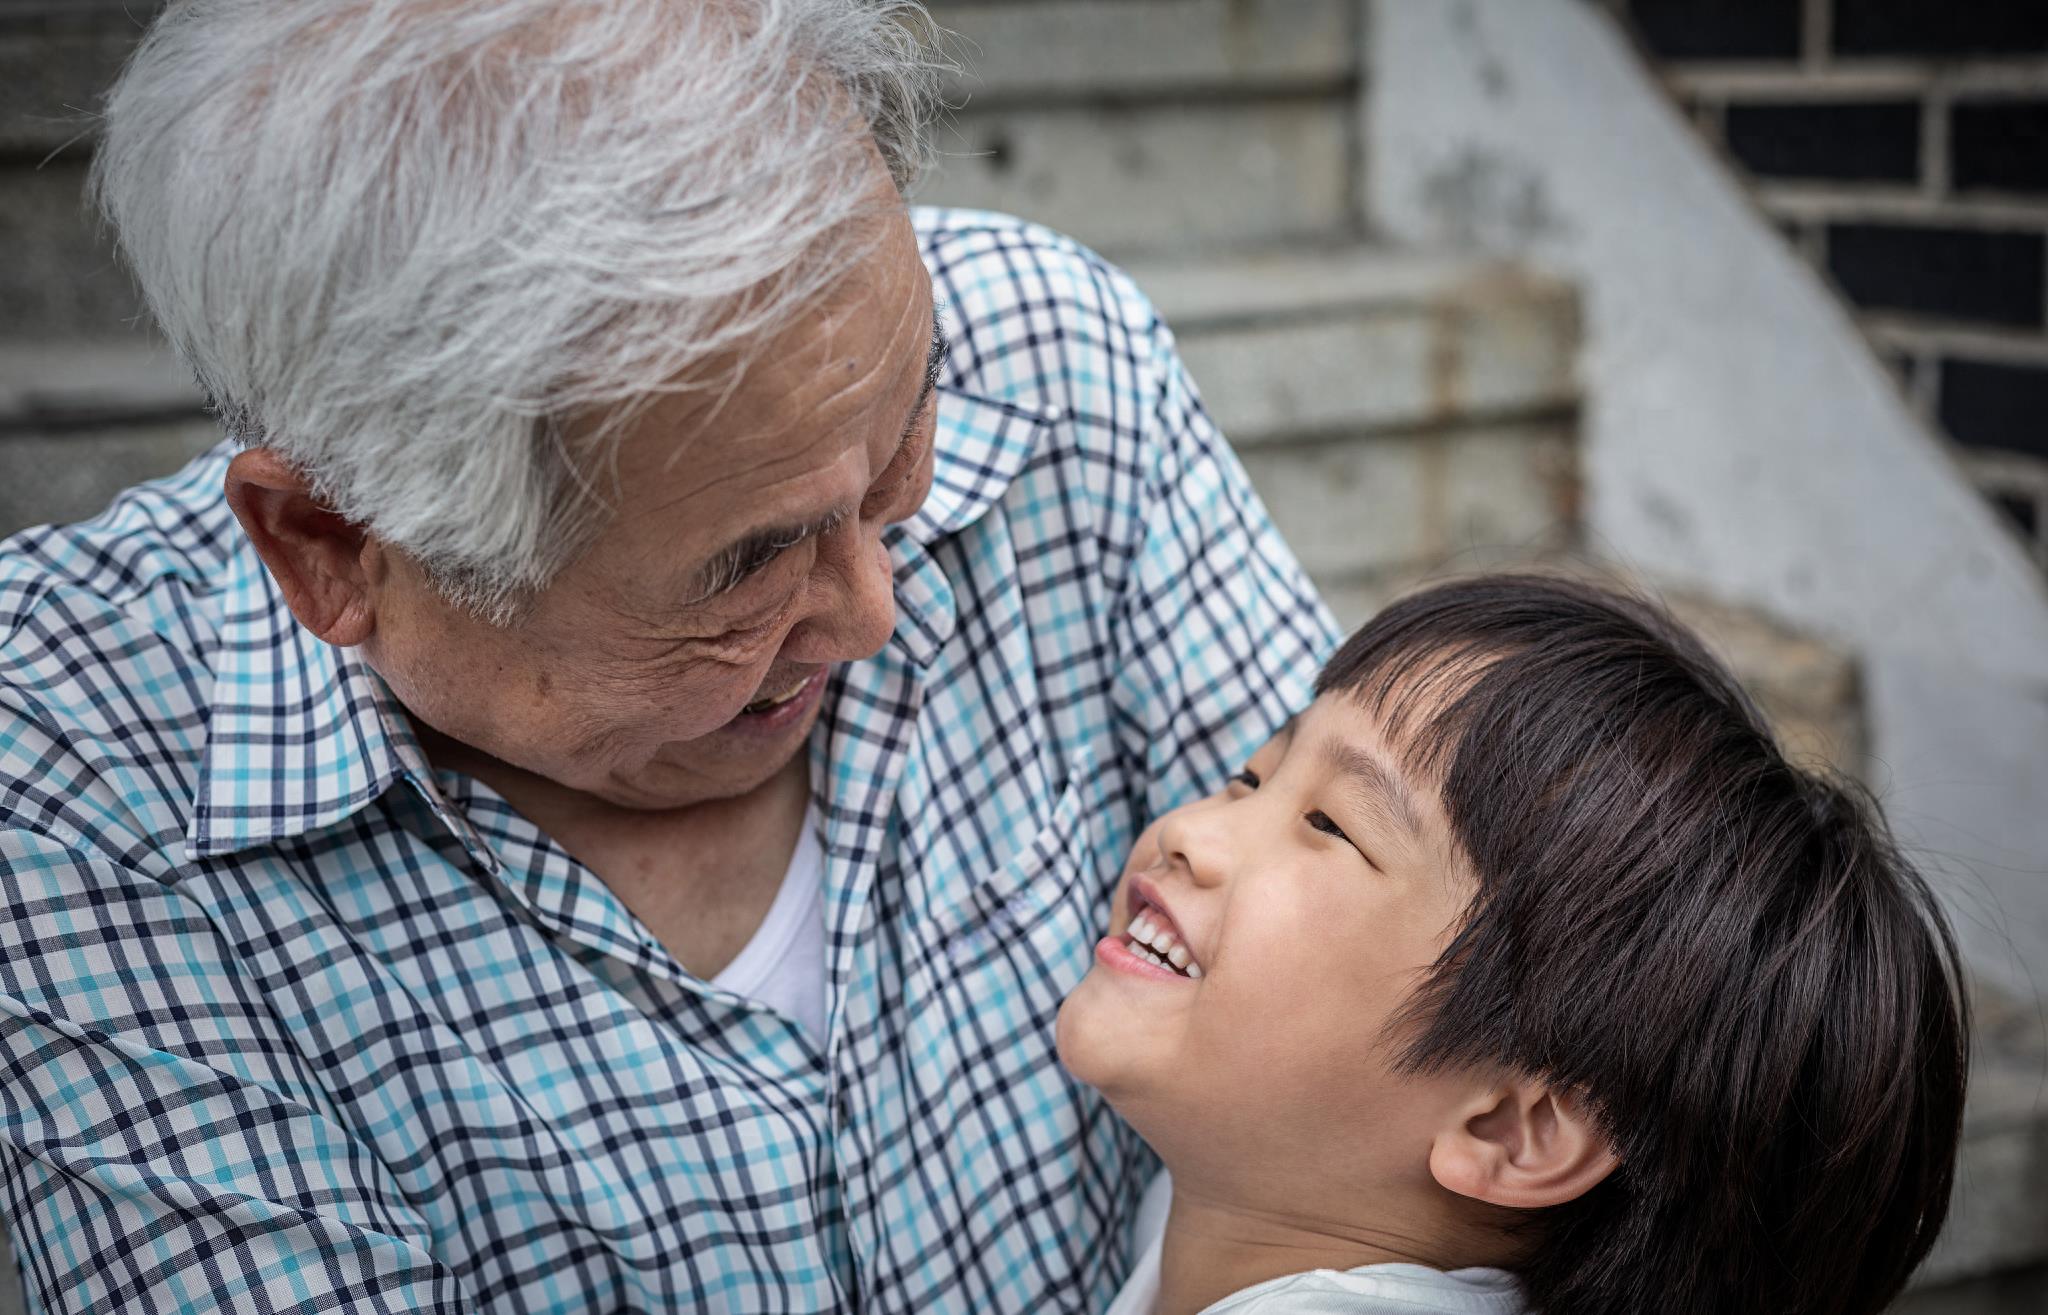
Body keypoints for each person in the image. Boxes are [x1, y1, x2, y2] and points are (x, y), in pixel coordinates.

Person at [0, 2, 1331, 1310]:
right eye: (748, 563)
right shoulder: (69, 754)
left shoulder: (1047, 357)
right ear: (332, 545)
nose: (877, 610)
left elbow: (1444, 976)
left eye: (902, 445)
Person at [1058, 574, 1970, 1315]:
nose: (1192, 832)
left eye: (1332, 825)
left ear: (1513, 1127)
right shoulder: (1222, 1203)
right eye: (1247, 776)